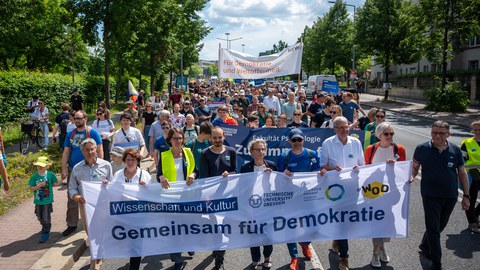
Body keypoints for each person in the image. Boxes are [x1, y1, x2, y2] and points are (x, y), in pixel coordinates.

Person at [412, 121, 470, 270]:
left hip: (450, 195)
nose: (437, 135)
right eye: (434, 132)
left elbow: (462, 173)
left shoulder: (455, 150)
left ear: (448, 134)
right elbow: (414, 168)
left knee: (440, 226)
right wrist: (411, 177)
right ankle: (436, 262)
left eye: (441, 133)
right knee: (433, 228)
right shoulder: (421, 148)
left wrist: (466, 195)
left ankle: (425, 245)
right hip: (430, 194)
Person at [319, 116, 365, 270]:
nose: (344, 130)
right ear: (334, 129)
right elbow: (322, 167)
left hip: (352, 189)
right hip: (335, 191)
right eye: (340, 127)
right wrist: (332, 168)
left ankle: (338, 240)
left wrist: (357, 169)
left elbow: (362, 165)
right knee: (342, 222)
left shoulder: (356, 142)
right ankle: (344, 257)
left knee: (348, 222)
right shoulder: (328, 143)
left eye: (346, 126)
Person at [364, 122, 406, 268]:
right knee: (377, 221)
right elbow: (366, 169)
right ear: (379, 135)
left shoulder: (399, 149)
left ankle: (381, 248)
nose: (390, 136)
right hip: (374, 191)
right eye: (386, 134)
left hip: (392, 191)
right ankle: (375, 252)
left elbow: (403, 170)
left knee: (388, 221)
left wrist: (396, 168)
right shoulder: (371, 149)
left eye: (392, 134)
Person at [277, 128, 320, 270]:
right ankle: (294, 256)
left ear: (303, 140)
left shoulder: (311, 154)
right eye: (294, 140)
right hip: (291, 198)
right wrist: (283, 173)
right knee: (291, 227)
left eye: (299, 139)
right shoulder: (284, 156)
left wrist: (320, 172)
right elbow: (278, 176)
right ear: (289, 141)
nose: (297, 142)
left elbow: (318, 171)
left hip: (308, 196)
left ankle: (305, 243)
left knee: (313, 224)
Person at [69, 138, 112, 270]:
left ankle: (95, 261)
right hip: (85, 206)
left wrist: (108, 186)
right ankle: (99, 254)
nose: (90, 152)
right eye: (87, 149)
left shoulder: (106, 165)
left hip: (102, 205)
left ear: (96, 150)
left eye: (92, 149)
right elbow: (72, 188)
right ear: (82, 151)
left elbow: (112, 185)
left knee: (98, 233)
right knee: (90, 232)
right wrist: (76, 196)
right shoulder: (77, 168)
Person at [199, 126, 237, 270]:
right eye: (214, 138)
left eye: (219, 137)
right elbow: (203, 178)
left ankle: (219, 259)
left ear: (224, 137)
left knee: (225, 228)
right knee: (216, 228)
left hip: (228, 196)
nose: (217, 140)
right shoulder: (205, 154)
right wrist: (207, 197)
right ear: (211, 138)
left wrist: (230, 174)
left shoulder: (231, 151)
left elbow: (235, 170)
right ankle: (218, 256)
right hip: (212, 198)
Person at [61, 110, 103, 237]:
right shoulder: (70, 134)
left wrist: (100, 166)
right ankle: (72, 224)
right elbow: (66, 151)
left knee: (93, 196)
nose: (77, 120)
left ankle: (94, 221)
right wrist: (63, 169)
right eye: (75, 118)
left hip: (90, 169)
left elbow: (99, 150)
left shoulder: (92, 133)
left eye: (79, 118)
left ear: (85, 119)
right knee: (72, 196)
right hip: (74, 169)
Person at [111, 148, 151, 270]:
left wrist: (146, 188)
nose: (130, 162)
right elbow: (112, 192)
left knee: (136, 242)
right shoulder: (118, 175)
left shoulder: (145, 175)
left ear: (137, 161)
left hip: (139, 215)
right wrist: (105, 185)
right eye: (127, 160)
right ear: (124, 161)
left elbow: (152, 195)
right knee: (127, 241)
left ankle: (134, 266)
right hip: (123, 214)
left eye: (133, 160)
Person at [240, 139, 276, 270]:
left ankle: (267, 257)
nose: (261, 152)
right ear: (251, 152)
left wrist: (271, 177)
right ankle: (255, 259)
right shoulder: (245, 168)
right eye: (257, 149)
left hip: (267, 207)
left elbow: (279, 186)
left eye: (263, 149)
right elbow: (242, 188)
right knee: (253, 234)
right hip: (252, 207)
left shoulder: (272, 166)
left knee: (268, 234)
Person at [29, 156, 60, 243]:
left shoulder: (50, 175)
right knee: (39, 216)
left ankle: (46, 232)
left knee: (46, 217)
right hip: (38, 200)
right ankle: (44, 226)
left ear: (46, 166)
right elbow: (31, 188)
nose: (39, 168)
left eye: (41, 166)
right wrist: (38, 186)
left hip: (47, 200)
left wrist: (62, 180)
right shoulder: (34, 176)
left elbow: (56, 183)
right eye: (38, 166)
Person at [461, 120, 480, 233]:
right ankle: (472, 223)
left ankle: (476, 214)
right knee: (470, 199)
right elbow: (462, 160)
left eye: (479, 129)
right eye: (475, 129)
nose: (477, 132)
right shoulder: (467, 143)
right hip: (472, 174)